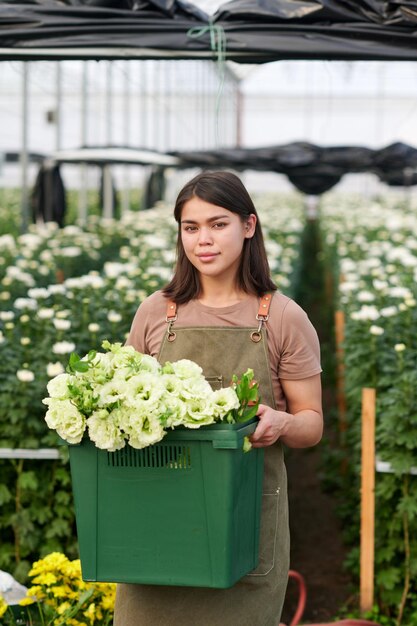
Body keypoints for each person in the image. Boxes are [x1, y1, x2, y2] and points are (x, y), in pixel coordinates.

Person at [114, 170, 323, 626]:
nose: (203, 240)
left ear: (248, 226)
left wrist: (284, 423)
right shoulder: (156, 312)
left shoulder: (284, 317)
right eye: (191, 228)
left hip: (244, 523)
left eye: (217, 224)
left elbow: (312, 422)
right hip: (160, 517)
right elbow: (123, 403)